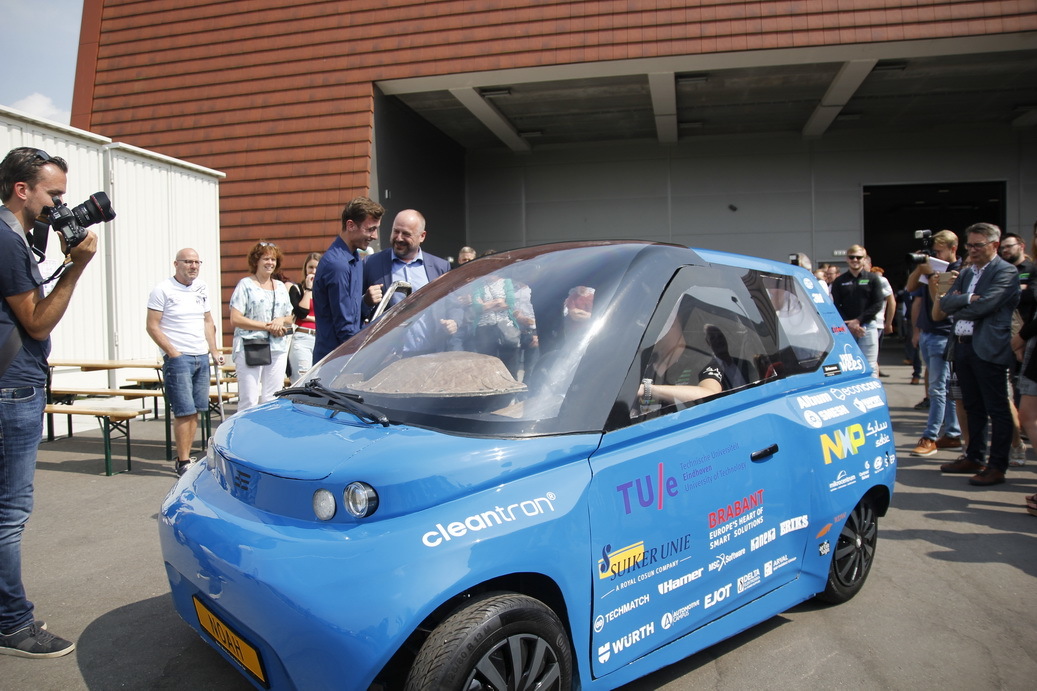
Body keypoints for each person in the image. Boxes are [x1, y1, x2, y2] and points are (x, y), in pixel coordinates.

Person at [0, 147, 98, 658]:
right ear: (23, 190)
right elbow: (35, 321)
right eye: (54, 195)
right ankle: (13, 625)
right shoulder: (5, 239)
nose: (62, 205)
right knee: (9, 514)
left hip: (13, 383)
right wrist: (77, 266)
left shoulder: (15, 237)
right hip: (12, 387)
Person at [938, 222, 1020, 486]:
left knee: (996, 408)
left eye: (977, 245)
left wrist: (965, 302)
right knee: (972, 405)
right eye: (969, 245)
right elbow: (945, 303)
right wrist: (968, 299)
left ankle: (997, 466)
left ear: (994, 245)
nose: (971, 250)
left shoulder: (1005, 271)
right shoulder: (965, 272)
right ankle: (974, 456)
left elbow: (987, 306)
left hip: (987, 347)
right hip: (962, 346)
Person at [146, 248, 223, 476]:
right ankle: (182, 460)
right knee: (183, 411)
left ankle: (188, 455)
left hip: (201, 356)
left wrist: (214, 349)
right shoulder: (162, 290)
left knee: (197, 410)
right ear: (176, 264)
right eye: (188, 262)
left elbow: (208, 321)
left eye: (197, 262)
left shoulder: (202, 288)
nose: (193, 266)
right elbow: (152, 325)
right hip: (179, 358)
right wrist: (173, 352)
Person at [904, 230, 962, 457]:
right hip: (929, 333)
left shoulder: (957, 269)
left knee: (937, 389)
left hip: (944, 333)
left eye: (938, 252)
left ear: (952, 249)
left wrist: (930, 276)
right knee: (944, 388)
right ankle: (953, 433)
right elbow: (910, 289)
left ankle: (930, 437)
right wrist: (921, 269)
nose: (934, 255)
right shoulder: (931, 267)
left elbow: (942, 304)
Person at [312, 197, 384, 361]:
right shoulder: (338, 265)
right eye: (370, 229)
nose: (375, 236)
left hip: (342, 357)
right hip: (334, 361)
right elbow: (345, 328)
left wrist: (366, 301)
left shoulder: (355, 259)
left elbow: (350, 314)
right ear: (350, 225)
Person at [229, 241, 293, 411]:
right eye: (265, 258)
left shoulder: (280, 286)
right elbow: (235, 319)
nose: (270, 263)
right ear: (256, 261)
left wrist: (280, 320)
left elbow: (290, 316)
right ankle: (244, 436)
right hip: (251, 346)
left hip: (277, 346)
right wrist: (267, 326)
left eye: (273, 259)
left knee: (272, 399)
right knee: (249, 399)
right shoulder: (245, 285)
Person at [362, 209, 450, 316]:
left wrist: (454, 322)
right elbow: (354, 309)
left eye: (406, 234)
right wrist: (366, 301)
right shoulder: (371, 263)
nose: (399, 238)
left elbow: (452, 305)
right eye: (396, 231)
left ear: (422, 236)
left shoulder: (440, 268)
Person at [830, 244, 884, 376]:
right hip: (846, 327)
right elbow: (835, 305)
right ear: (847, 259)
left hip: (867, 326)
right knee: (848, 364)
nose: (855, 260)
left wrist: (858, 320)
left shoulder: (873, 279)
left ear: (864, 259)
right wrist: (849, 323)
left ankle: (872, 394)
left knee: (870, 365)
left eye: (859, 257)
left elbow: (878, 303)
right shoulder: (839, 281)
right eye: (852, 257)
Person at [288, 252, 321, 378]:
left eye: (317, 267)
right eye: (310, 267)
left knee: (318, 379)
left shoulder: (325, 291)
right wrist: (308, 289)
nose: (313, 271)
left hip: (320, 338)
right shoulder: (297, 289)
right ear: (305, 269)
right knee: (303, 378)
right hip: (302, 337)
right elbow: (300, 313)